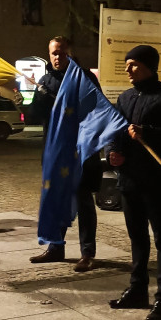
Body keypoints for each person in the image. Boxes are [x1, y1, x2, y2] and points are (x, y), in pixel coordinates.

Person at [107, 45, 161, 320]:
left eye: (133, 65)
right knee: (137, 239)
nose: (127, 70)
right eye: (127, 64)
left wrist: (148, 132)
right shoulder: (126, 97)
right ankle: (137, 290)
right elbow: (116, 131)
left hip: (154, 181)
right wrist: (113, 153)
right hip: (129, 180)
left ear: (149, 66)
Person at [29, 35, 102, 272]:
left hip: (80, 149)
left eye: (60, 52)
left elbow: (97, 111)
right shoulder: (45, 80)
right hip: (55, 150)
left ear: (69, 51)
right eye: (53, 53)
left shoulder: (84, 77)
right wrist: (34, 99)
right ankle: (55, 247)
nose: (57, 57)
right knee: (56, 199)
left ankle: (87, 253)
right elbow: (35, 115)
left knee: (83, 201)